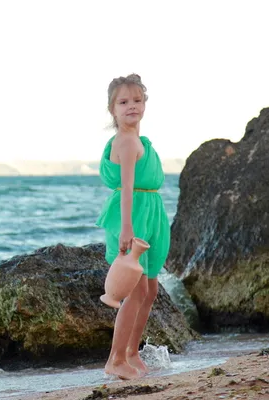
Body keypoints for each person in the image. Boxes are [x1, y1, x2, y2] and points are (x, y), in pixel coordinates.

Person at [96, 74, 170, 380]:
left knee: (150, 290)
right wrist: (126, 228)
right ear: (112, 109)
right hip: (134, 218)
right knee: (135, 293)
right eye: (123, 102)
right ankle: (115, 358)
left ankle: (132, 352)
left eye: (137, 100)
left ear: (145, 104)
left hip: (151, 214)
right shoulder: (125, 141)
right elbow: (126, 187)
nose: (131, 107)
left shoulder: (140, 140)